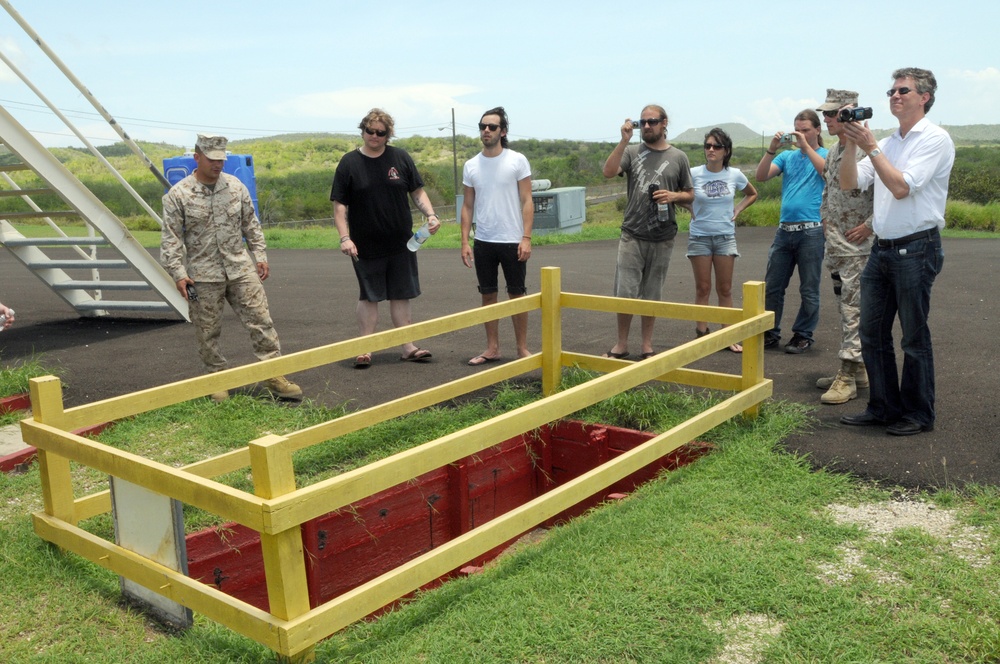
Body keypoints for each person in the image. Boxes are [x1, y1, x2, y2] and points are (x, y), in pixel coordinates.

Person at [838, 68, 955, 436]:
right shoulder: (889, 142)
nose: (894, 95)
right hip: (883, 249)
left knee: (913, 337)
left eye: (903, 90)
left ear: (925, 97)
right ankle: (884, 407)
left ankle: (919, 414)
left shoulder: (934, 139)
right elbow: (849, 182)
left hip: (917, 247)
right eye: (891, 90)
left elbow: (902, 188)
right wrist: (851, 141)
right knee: (872, 334)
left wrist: (871, 146)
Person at [161, 134, 302, 402]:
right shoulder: (178, 195)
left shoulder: (236, 187)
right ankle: (217, 379)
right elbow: (171, 239)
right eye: (212, 159)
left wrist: (260, 254)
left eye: (221, 159)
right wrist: (178, 274)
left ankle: (273, 374)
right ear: (197, 157)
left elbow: (251, 224)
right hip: (202, 275)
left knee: (261, 321)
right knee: (206, 330)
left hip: (240, 268)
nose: (218, 164)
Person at [331, 108, 440, 369]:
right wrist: (344, 238)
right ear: (363, 130)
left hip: (402, 242)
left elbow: (417, 192)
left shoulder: (400, 157)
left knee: (401, 294)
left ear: (388, 134)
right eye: (370, 131)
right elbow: (339, 206)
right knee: (369, 295)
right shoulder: (349, 163)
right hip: (364, 244)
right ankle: (365, 348)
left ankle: (408, 347)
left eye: (381, 132)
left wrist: (431, 215)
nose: (375, 136)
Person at [601, 104, 694, 360]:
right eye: (643, 122)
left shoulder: (678, 157)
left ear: (665, 123)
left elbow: (690, 193)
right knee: (625, 292)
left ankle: (647, 345)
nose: (648, 126)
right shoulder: (632, 151)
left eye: (652, 121)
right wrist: (623, 141)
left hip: (663, 236)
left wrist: (673, 195)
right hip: (632, 233)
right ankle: (621, 344)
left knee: (653, 293)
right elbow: (608, 172)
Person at [460, 107, 534, 366]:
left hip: (513, 239)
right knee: (488, 295)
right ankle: (492, 348)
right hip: (484, 241)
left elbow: (527, 200)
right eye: (483, 127)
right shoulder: (471, 165)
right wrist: (465, 242)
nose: (486, 131)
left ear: (503, 131)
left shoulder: (517, 160)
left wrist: (526, 238)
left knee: (517, 294)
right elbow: (467, 206)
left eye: (492, 127)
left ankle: (522, 349)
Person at [815, 89, 874, 405]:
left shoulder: (866, 149)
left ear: (849, 113)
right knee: (845, 308)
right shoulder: (833, 152)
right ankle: (859, 369)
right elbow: (828, 191)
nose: (826, 119)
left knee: (854, 310)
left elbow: (889, 194)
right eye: (825, 114)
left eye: (832, 113)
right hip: (836, 245)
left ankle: (846, 377)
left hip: (858, 247)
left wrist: (870, 226)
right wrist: (825, 220)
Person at [755, 109, 829, 354]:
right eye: (797, 130)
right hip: (785, 230)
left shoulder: (827, 155)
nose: (801, 135)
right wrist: (772, 149)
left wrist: (807, 147)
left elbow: (827, 173)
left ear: (818, 130)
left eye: (806, 130)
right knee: (773, 286)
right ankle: (770, 332)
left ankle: (803, 334)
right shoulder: (787, 157)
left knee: (809, 287)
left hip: (811, 231)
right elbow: (761, 176)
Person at [687, 128, 757, 353]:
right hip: (700, 236)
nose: (710, 150)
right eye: (707, 146)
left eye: (716, 146)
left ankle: (728, 336)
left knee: (725, 288)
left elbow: (752, 193)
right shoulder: (694, 173)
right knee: (703, 288)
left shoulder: (734, 174)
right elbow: (681, 194)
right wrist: (688, 206)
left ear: (726, 151)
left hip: (725, 236)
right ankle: (701, 334)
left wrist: (738, 209)